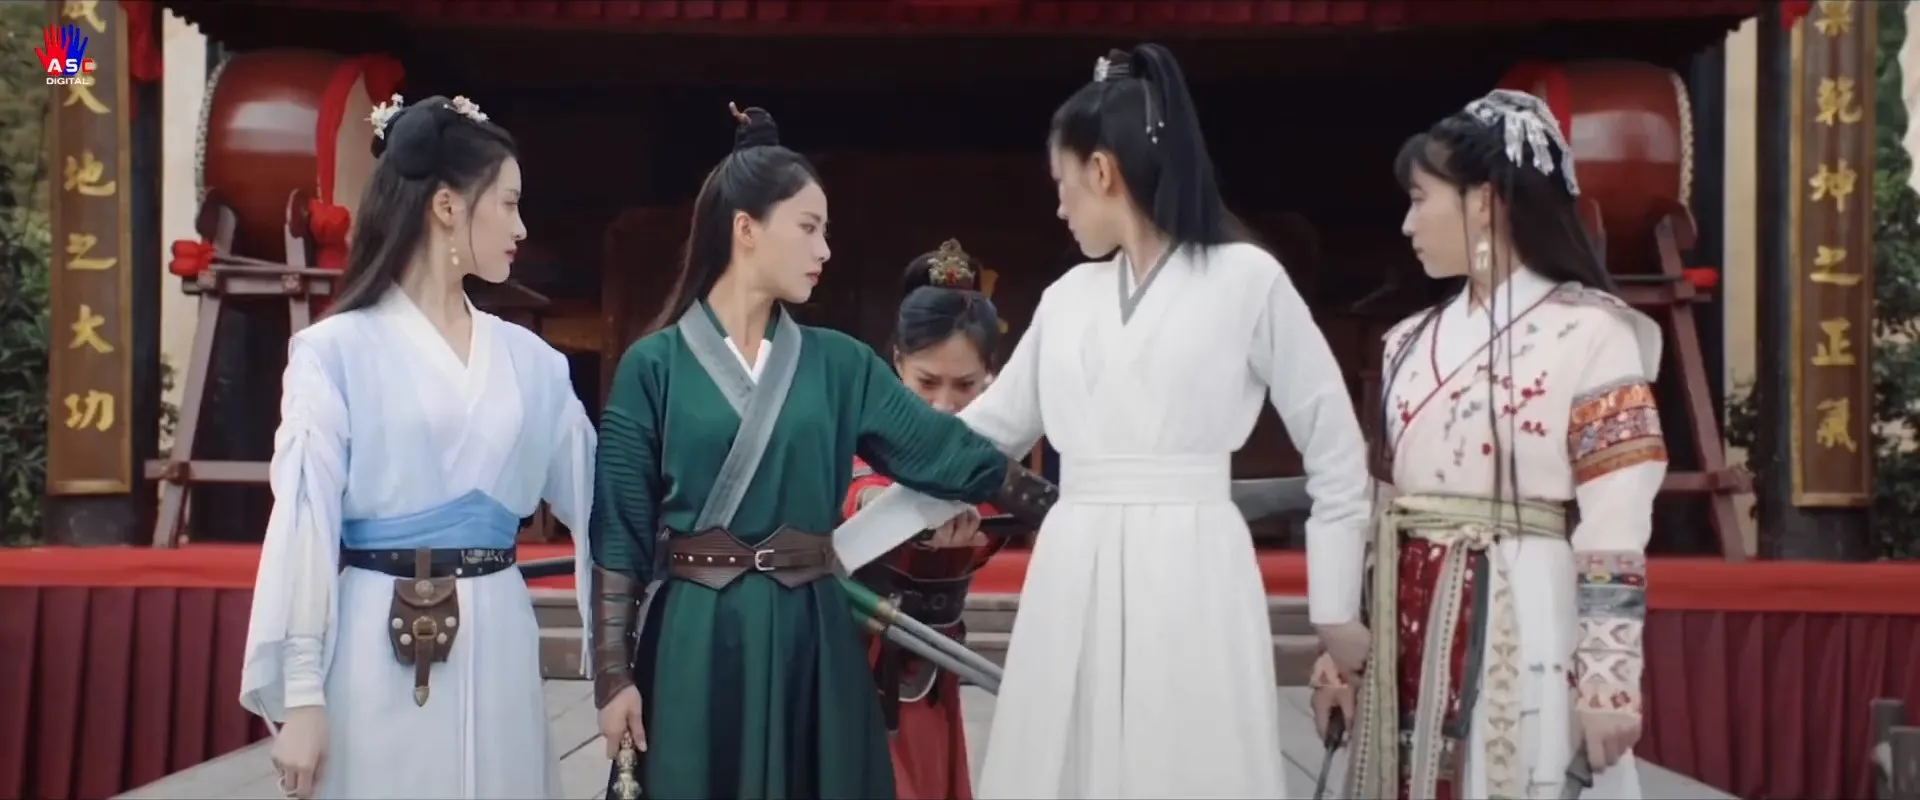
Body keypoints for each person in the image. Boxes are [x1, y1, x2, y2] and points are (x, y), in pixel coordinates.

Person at [836, 45, 1374, 798]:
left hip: (1194, 562)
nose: (1059, 208)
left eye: (1062, 183)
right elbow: (971, 444)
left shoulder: (1248, 281)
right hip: (1074, 562)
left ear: (1101, 171)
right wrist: (841, 545)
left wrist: (1335, 607)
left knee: (1185, 759)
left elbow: (1336, 449)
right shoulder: (1068, 299)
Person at [586, 105, 1052, 799]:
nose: (825, 250)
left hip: (810, 628)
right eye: (808, 227)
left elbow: (940, 450)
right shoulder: (653, 366)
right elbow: (619, 533)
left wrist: (1047, 500)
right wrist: (613, 676)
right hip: (696, 636)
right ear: (746, 229)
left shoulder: (840, 364)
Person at [1311, 89, 1667, 800]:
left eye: (1421, 200)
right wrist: (1342, 651)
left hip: (1524, 601)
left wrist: (1608, 678)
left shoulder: (1594, 332)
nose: (1408, 224)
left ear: (1485, 203)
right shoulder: (1406, 341)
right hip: (1407, 613)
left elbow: (1616, 520)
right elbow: (1381, 504)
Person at [238, 94, 595, 799]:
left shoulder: (534, 363)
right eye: (509, 203)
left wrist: (616, 662)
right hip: (375, 637)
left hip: (499, 632)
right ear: (446, 207)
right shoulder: (334, 352)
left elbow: (603, 506)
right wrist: (303, 694)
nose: (521, 227)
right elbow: (305, 525)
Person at [844, 239, 1018, 800]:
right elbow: (851, 488)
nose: (944, 404)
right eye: (926, 382)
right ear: (896, 363)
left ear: (990, 374)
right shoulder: (855, 430)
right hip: (849, 661)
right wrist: (872, 503)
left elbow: (995, 509)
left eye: (964, 385)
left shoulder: (987, 457)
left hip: (930, 665)